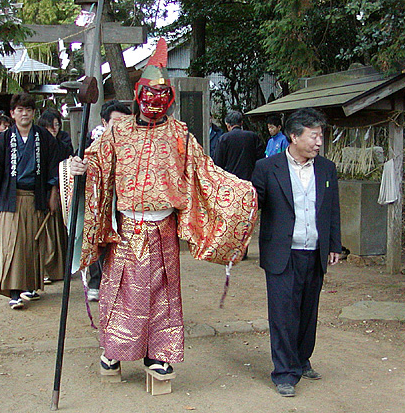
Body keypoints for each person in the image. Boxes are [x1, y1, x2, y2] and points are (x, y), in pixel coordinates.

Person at [60, 39, 257, 381]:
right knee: (119, 289)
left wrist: (241, 192)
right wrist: (79, 167)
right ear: (138, 95)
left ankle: (158, 354)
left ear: (170, 99)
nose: (154, 102)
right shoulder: (117, 131)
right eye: (148, 94)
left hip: (162, 227)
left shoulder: (180, 133)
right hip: (126, 227)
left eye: (161, 95)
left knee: (162, 294)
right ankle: (114, 351)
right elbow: (96, 163)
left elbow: (204, 171)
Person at [251, 107, 341, 398]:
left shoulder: (326, 169)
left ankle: (301, 360)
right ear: (294, 136)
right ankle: (283, 373)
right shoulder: (267, 167)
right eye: (313, 136)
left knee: (307, 312)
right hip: (282, 252)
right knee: (282, 314)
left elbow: (332, 210)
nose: (318, 142)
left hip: (314, 251)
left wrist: (334, 245)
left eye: (320, 136)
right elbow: (253, 205)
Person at [0, 93, 60, 310]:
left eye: (28, 109)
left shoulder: (44, 137)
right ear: (12, 114)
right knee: (13, 245)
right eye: (19, 110)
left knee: (32, 244)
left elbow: (54, 167)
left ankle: (30, 286)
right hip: (11, 199)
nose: (24, 113)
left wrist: (53, 195)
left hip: (36, 199)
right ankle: (14, 292)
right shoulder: (4, 140)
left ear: (33, 113)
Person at [85, 99, 132, 301]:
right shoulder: (94, 144)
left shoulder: (134, 144)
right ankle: (96, 281)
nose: (121, 126)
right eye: (116, 121)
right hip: (102, 198)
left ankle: (121, 284)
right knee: (100, 238)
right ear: (105, 122)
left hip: (126, 201)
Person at [37, 109, 74, 283]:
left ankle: (61, 268)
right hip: (42, 190)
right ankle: (45, 269)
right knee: (46, 232)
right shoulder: (38, 142)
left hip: (62, 189)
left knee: (61, 228)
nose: (54, 129)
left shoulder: (63, 140)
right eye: (50, 126)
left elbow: (68, 159)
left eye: (57, 125)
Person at [214, 110, 264, 181]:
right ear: (241, 123)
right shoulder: (253, 136)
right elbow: (260, 159)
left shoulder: (223, 139)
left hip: (231, 182)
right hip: (250, 180)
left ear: (228, 125)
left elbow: (218, 164)